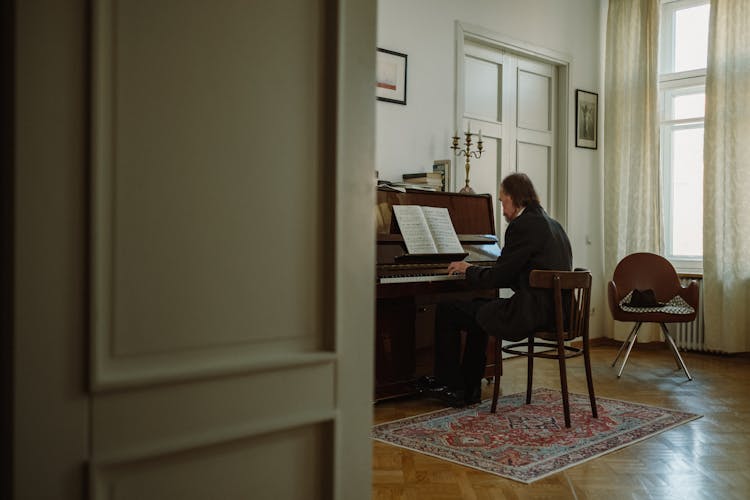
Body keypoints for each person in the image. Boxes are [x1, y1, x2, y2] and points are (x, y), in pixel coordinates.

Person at [418, 172, 572, 407]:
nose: (501, 208)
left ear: (513, 197)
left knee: (449, 311)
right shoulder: (553, 225)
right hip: (558, 312)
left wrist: (469, 269)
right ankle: (469, 388)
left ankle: (453, 385)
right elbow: (521, 273)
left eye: (502, 201)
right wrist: (481, 271)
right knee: (480, 309)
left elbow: (500, 275)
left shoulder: (523, 225)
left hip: (532, 313)